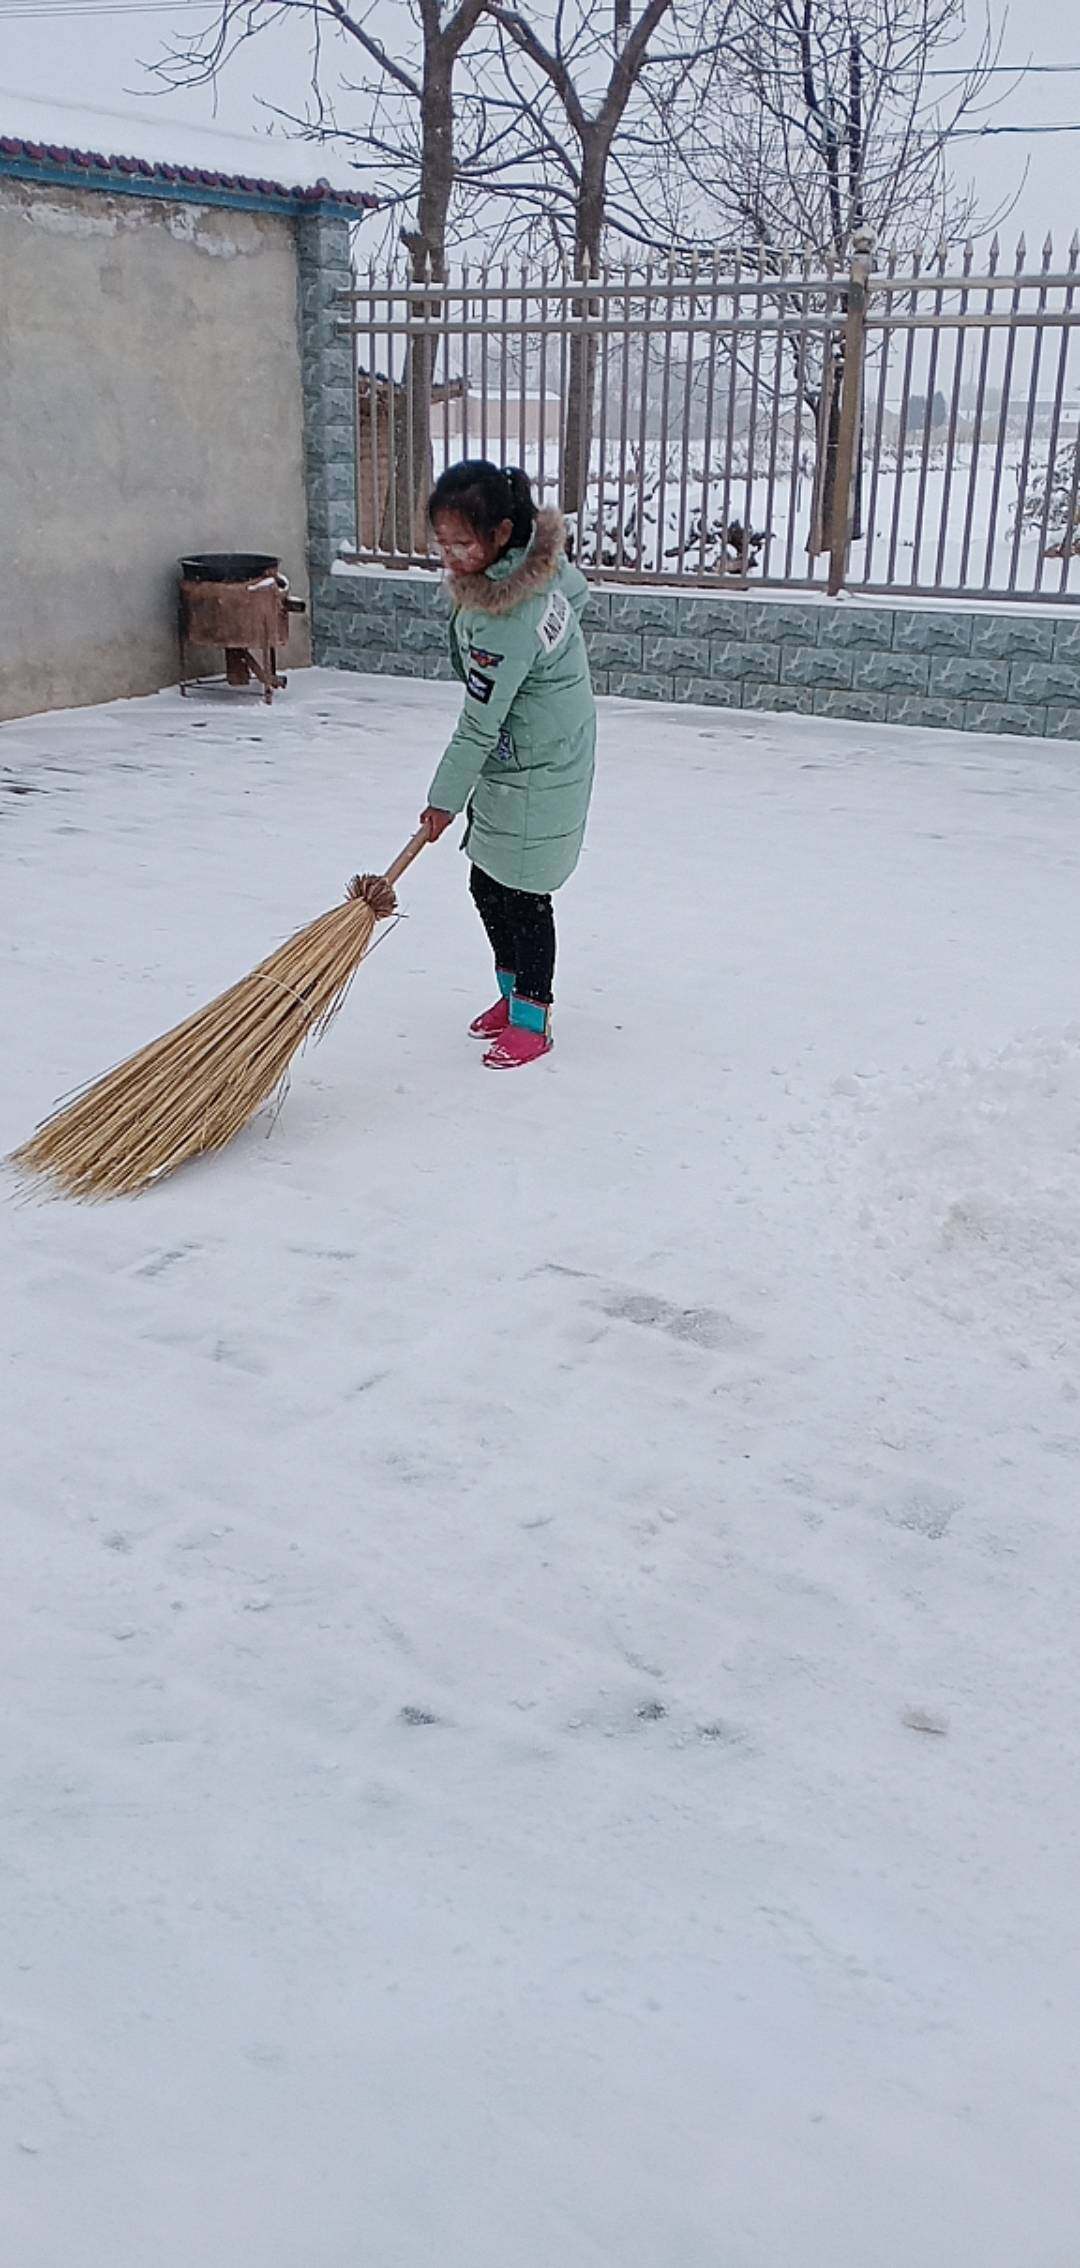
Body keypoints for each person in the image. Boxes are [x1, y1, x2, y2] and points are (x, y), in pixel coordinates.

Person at [420, 461, 596, 1070]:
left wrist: (442, 801)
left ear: (500, 533)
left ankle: (531, 1019)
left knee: (524, 895)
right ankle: (511, 992)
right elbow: (576, 593)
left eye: (463, 544)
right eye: (442, 544)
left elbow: (478, 723)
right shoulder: (533, 569)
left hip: (539, 760)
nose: (451, 557)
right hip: (530, 747)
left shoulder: (506, 619)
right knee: (487, 882)